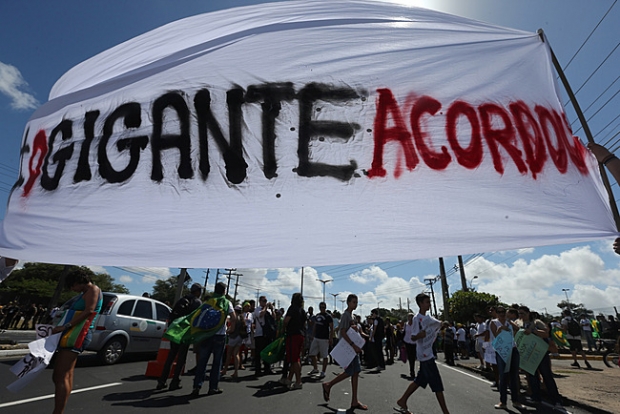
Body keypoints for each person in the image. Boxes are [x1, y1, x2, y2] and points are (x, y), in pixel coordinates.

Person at [51, 268, 103, 414]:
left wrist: (65, 326)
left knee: (60, 375)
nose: (72, 289)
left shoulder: (93, 289)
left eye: (72, 286)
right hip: (75, 333)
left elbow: (89, 311)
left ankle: (58, 411)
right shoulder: (86, 292)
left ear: (78, 282)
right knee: (67, 374)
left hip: (78, 334)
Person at [396, 293, 449, 414]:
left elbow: (438, 323)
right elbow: (413, 337)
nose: (429, 304)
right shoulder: (417, 319)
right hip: (424, 355)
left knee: (419, 380)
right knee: (437, 384)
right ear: (420, 304)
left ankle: (402, 400)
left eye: (429, 302)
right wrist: (420, 335)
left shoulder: (428, 318)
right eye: (427, 302)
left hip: (428, 353)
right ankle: (446, 412)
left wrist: (443, 324)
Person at [321, 294, 368, 411]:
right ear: (348, 302)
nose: (355, 304)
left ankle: (354, 400)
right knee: (351, 371)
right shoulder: (345, 315)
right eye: (353, 302)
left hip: (352, 347)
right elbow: (342, 332)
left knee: (356, 371)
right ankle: (328, 385)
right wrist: (353, 345)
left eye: (356, 302)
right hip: (348, 347)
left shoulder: (352, 316)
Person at [517, 306, 565, 410]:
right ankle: (536, 397)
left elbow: (546, 333)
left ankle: (556, 400)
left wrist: (533, 331)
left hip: (540, 353)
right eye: (519, 313)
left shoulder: (536, 322)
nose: (521, 316)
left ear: (528, 313)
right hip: (529, 353)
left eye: (523, 313)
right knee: (532, 377)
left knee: (547, 376)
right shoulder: (519, 323)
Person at [191, 282, 235, 397]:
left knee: (202, 361)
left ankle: (197, 386)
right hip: (220, 335)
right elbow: (233, 317)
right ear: (224, 291)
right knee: (217, 362)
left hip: (207, 334)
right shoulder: (226, 302)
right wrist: (231, 329)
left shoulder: (209, 301)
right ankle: (213, 387)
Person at [156, 282, 202, 391]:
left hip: (175, 331)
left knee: (171, 356)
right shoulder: (197, 302)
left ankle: (162, 381)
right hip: (185, 333)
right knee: (181, 358)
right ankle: (175, 381)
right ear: (198, 292)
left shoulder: (182, 300)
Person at [489, 306, 522, 410]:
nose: (501, 314)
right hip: (502, 351)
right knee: (503, 376)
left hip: (512, 349)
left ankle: (516, 401)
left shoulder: (508, 322)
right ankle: (503, 401)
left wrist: (509, 322)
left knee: (514, 376)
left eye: (503, 311)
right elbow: (495, 335)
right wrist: (500, 329)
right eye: (499, 312)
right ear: (496, 313)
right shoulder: (494, 322)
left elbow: (517, 329)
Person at [283, 292, 307, 389]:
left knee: (294, 359)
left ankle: (298, 381)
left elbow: (286, 321)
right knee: (295, 358)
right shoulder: (302, 311)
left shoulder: (292, 308)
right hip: (301, 335)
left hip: (293, 335)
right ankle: (289, 379)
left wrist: (283, 329)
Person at [308, 301, 333, 379]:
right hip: (316, 337)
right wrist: (313, 335)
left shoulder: (328, 316)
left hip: (324, 338)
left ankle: (323, 372)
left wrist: (331, 338)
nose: (322, 308)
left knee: (324, 355)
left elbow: (331, 328)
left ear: (325, 307)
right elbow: (315, 326)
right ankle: (315, 368)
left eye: (323, 307)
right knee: (312, 353)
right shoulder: (317, 315)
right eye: (321, 307)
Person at [221, 304, 246, 381]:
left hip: (233, 337)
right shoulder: (242, 318)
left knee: (229, 354)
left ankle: (225, 370)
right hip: (240, 338)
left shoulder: (234, 318)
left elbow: (232, 329)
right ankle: (236, 372)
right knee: (236, 354)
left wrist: (226, 331)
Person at [253, 295, 275, 376]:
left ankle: (267, 368)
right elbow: (260, 315)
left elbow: (274, 318)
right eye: (264, 301)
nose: (265, 302)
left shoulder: (268, 311)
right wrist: (265, 307)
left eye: (266, 301)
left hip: (267, 334)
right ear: (260, 301)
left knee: (268, 352)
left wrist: (272, 309)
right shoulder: (257, 309)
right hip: (259, 334)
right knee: (258, 353)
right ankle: (258, 370)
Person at [403, 313, 417, 378]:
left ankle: (413, 370)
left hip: (414, 342)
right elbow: (404, 333)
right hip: (407, 342)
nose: (410, 318)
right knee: (410, 357)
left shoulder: (415, 324)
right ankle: (412, 370)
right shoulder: (406, 324)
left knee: (413, 357)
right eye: (409, 317)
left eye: (411, 317)